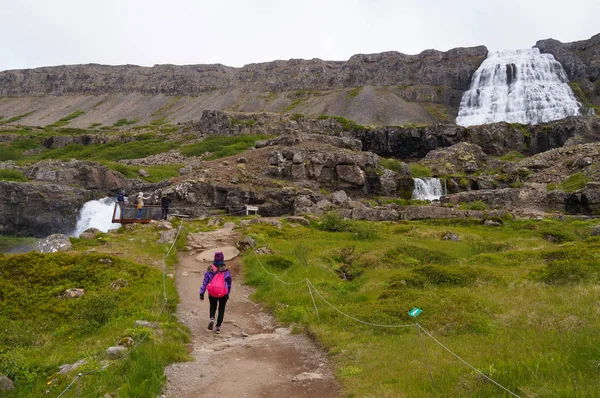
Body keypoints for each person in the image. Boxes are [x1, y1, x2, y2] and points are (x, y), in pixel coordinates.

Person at [199, 252, 232, 334]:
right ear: (222, 259)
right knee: (221, 309)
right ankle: (218, 327)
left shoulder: (210, 269)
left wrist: (202, 293)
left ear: (214, 258)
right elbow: (229, 283)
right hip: (223, 293)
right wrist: (228, 293)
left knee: (213, 307)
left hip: (212, 293)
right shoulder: (226, 270)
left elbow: (205, 282)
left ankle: (212, 318)